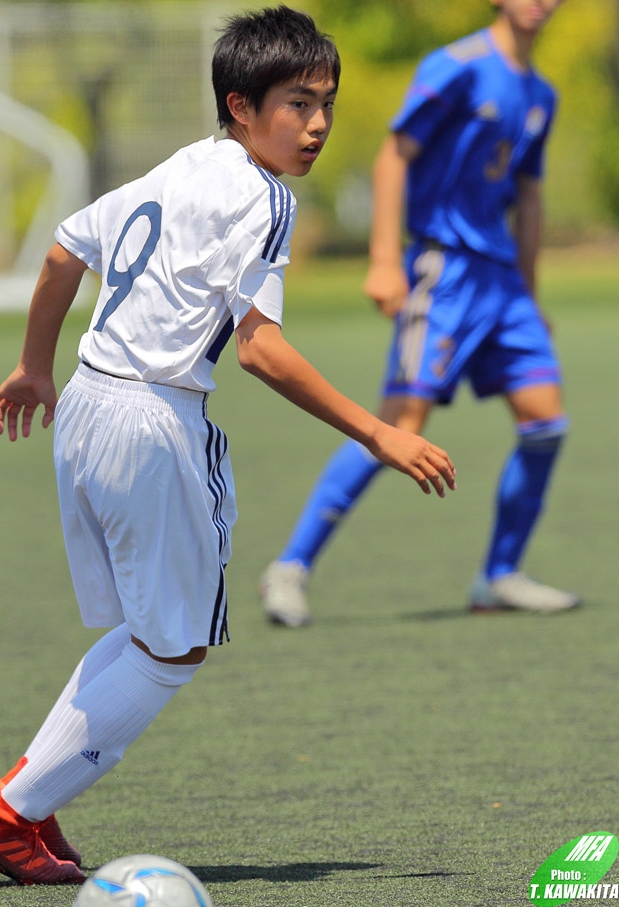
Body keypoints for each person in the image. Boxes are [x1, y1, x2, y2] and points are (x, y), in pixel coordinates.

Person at [0, 5, 455, 887]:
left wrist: (36, 366)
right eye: (298, 103)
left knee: (149, 632)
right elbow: (258, 347)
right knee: (173, 647)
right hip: (150, 419)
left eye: (325, 104)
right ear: (242, 105)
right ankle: (8, 814)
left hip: (86, 405)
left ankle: (30, 793)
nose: (319, 124)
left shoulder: (181, 168)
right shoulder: (262, 198)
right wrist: (377, 431)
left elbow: (66, 251)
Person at [259, 0, 580, 628]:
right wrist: (384, 259)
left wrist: (532, 295)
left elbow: (531, 196)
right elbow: (393, 156)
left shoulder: (541, 93)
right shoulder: (455, 66)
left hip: (504, 284)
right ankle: (290, 567)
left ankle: (500, 576)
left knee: (546, 423)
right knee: (399, 426)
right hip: (445, 272)